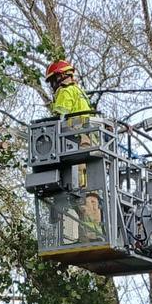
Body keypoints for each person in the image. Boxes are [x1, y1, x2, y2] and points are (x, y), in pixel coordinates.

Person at [43, 57, 103, 243]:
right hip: (90, 142)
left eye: (53, 80)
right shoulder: (79, 92)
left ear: (60, 77)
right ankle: (94, 234)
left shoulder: (65, 92)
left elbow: (58, 118)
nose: (53, 85)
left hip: (76, 142)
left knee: (78, 189)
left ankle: (88, 237)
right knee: (91, 191)